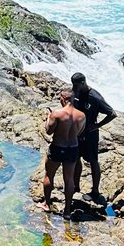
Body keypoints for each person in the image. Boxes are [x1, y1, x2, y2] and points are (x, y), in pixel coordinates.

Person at [71, 72, 116, 202]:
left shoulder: (95, 97)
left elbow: (112, 113)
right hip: (77, 132)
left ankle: (95, 191)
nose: (74, 88)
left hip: (90, 135)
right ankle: (75, 186)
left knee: (93, 161)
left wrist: (97, 126)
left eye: (76, 85)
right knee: (76, 158)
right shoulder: (76, 93)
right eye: (73, 85)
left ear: (83, 83)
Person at [43, 88, 86, 217]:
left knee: (49, 175)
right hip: (72, 148)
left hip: (57, 147)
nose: (59, 100)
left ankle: (46, 204)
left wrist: (48, 118)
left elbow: (48, 131)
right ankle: (67, 211)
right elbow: (79, 132)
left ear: (64, 98)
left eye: (60, 98)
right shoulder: (82, 115)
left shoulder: (56, 114)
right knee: (69, 179)